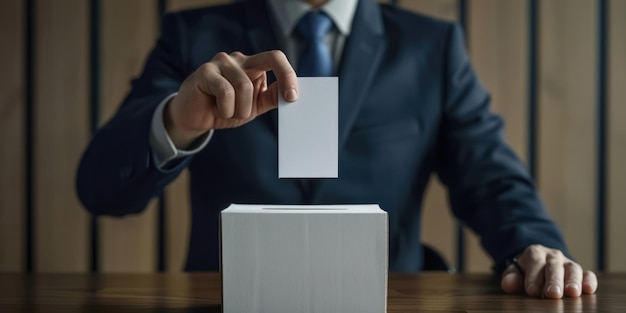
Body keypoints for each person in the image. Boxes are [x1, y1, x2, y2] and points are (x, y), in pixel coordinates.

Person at [76, 0, 598, 298]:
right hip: (229, 299)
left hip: (391, 300)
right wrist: (176, 121)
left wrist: (534, 246)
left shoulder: (430, 47)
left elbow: (490, 175)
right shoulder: (193, 36)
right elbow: (101, 190)